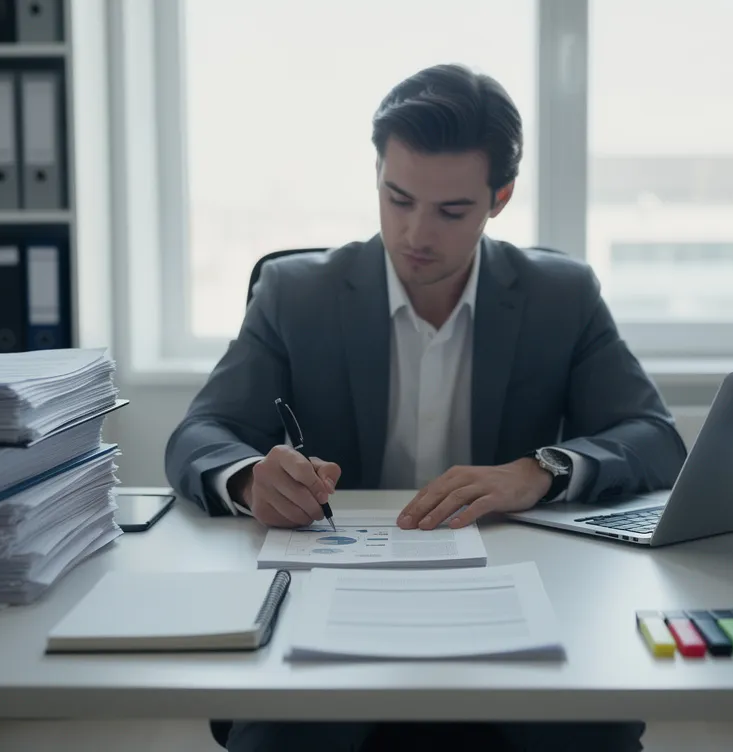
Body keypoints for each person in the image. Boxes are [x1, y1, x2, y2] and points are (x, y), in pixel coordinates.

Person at [165, 63, 687, 752]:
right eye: (397, 198)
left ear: (499, 198)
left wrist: (539, 471)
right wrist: (247, 478)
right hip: (333, 596)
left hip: (510, 596)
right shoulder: (296, 294)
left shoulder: (562, 295)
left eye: (451, 211)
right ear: (378, 176)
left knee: (592, 738)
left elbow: (655, 438)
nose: (416, 234)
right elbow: (199, 434)